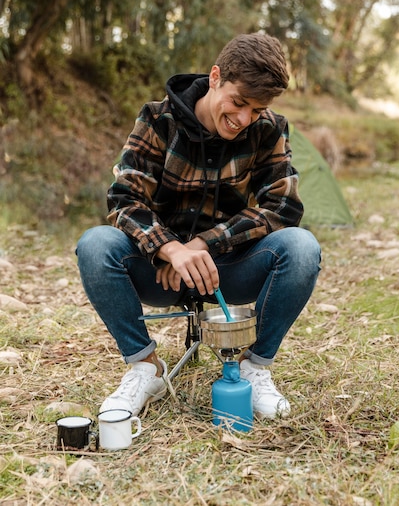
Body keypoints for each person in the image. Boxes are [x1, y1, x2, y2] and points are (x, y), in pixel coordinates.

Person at [76, 33, 321, 420]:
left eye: (256, 111)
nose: (244, 120)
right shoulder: (157, 120)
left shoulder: (271, 129)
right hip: (158, 272)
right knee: (95, 244)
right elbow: (124, 199)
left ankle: (253, 367)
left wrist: (203, 245)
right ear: (215, 76)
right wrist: (170, 249)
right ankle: (145, 367)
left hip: (226, 270)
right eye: (238, 102)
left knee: (302, 247)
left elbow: (283, 206)